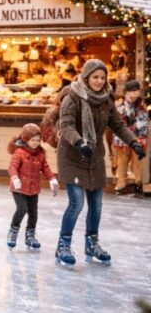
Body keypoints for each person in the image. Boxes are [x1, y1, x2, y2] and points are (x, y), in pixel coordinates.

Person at [55, 59, 144, 268]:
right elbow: (66, 125)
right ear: (86, 77)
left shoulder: (106, 100)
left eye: (102, 78)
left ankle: (91, 244)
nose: (99, 81)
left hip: (94, 157)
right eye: (95, 77)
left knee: (96, 205)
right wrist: (79, 142)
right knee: (77, 203)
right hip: (72, 156)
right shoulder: (73, 97)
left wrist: (134, 142)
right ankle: (63, 245)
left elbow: (118, 125)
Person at [6, 123, 59, 251]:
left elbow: (45, 168)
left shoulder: (40, 154)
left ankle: (30, 235)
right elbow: (12, 167)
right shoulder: (19, 153)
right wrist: (15, 178)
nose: (35, 143)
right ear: (25, 140)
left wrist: (52, 179)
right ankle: (13, 231)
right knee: (22, 209)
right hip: (19, 188)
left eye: (37, 140)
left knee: (33, 213)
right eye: (32, 140)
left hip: (33, 189)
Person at [113, 80, 148, 194]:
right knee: (122, 163)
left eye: (135, 91)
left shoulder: (141, 107)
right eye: (131, 91)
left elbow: (143, 125)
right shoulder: (120, 106)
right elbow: (117, 124)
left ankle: (138, 183)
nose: (133, 94)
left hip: (137, 140)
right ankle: (121, 184)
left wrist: (141, 139)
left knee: (137, 163)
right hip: (122, 140)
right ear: (126, 92)